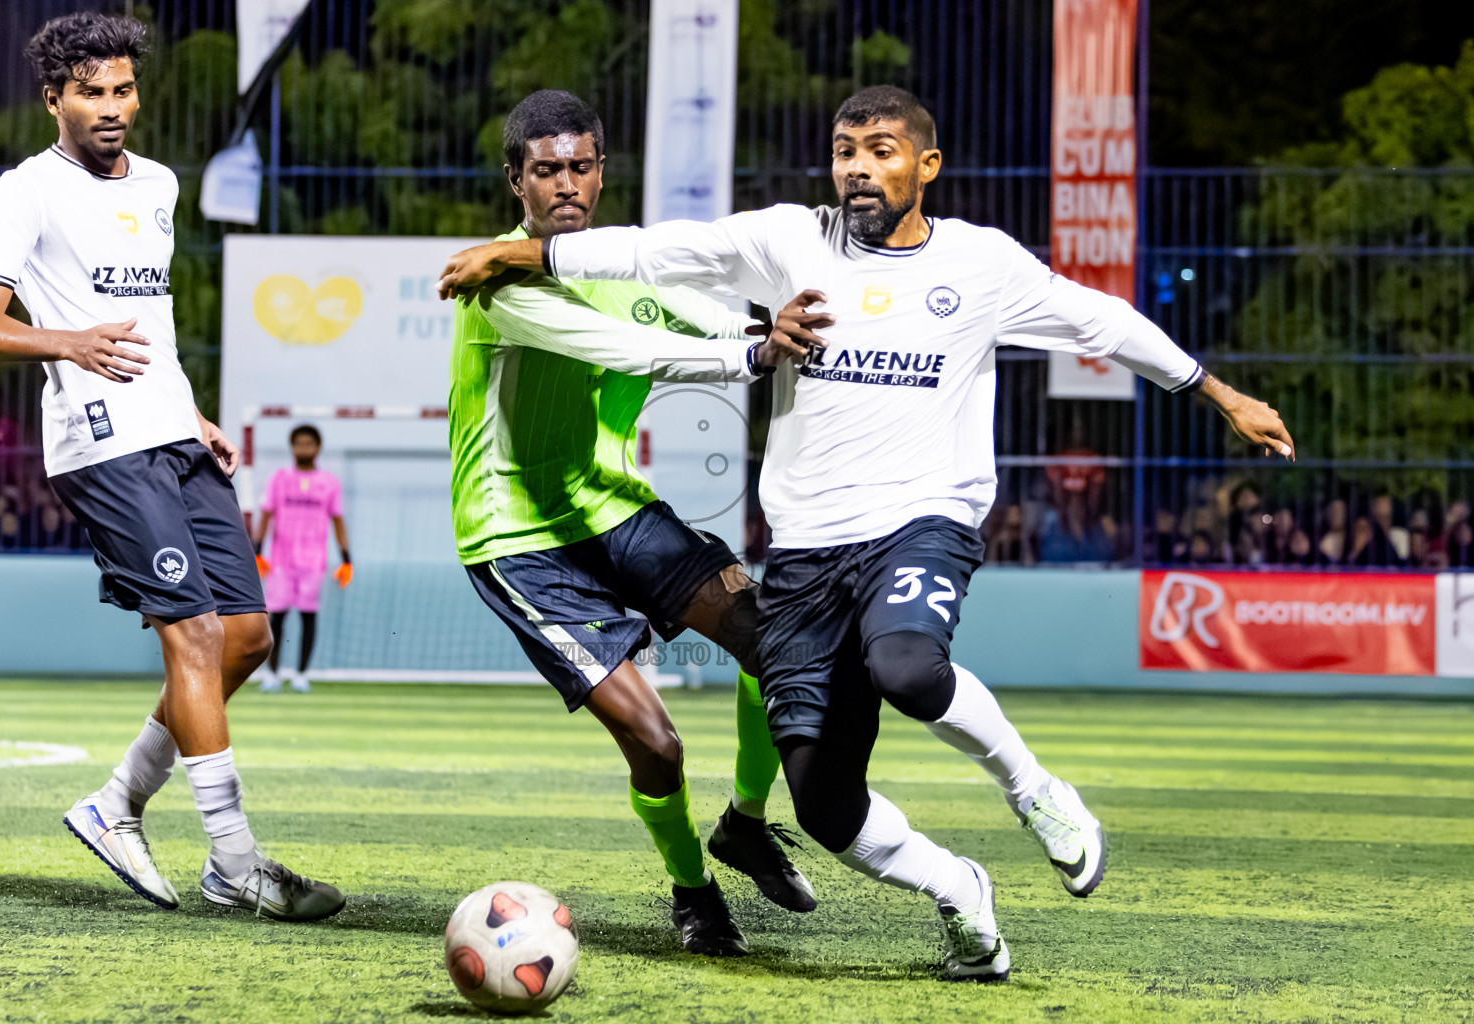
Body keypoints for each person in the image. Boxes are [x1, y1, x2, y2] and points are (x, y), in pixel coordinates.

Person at [440, 85, 1297, 980]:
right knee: (800, 793)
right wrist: (525, 251)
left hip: (893, 520)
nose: (859, 165)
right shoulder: (763, 244)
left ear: (925, 165)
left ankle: (1027, 793)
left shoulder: (979, 263)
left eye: (881, 149)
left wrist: (1217, 391)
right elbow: (659, 265)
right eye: (847, 149)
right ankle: (927, 890)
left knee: (896, 664)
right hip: (686, 543)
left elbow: (1101, 319)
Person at [0, 13, 342, 922]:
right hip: (100, 439)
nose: (112, 107)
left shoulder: (161, 185)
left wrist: (194, 412)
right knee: (197, 636)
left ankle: (116, 803)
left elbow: (152, 321)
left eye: (123, 89)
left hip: (169, 427)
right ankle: (236, 861)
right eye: (91, 92)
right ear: (54, 99)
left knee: (248, 638)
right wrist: (69, 344)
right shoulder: (21, 195)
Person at [449, 90, 817, 956]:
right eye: (547, 171)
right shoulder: (497, 277)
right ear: (517, 181)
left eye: (581, 167)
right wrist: (752, 353)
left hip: (613, 505)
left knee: (776, 641)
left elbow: (713, 314)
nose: (566, 185)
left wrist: (772, 326)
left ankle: (748, 823)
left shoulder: (625, 265)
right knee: (657, 745)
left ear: (602, 171)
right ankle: (692, 891)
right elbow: (623, 349)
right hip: (517, 537)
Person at [252, 424, 351, 694]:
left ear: (318, 447)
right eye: (299, 443)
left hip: (313, 563)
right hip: (281, 562)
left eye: (309, 443)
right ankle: (271, 674)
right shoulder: (279, 479)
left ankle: (301, 674)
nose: (304, 448)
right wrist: (257, 551)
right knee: (276, 617)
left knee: (309, 617)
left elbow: (338, 521)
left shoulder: (329, 483)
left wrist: (346, 559)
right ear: (292, 446)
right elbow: (265, 516)